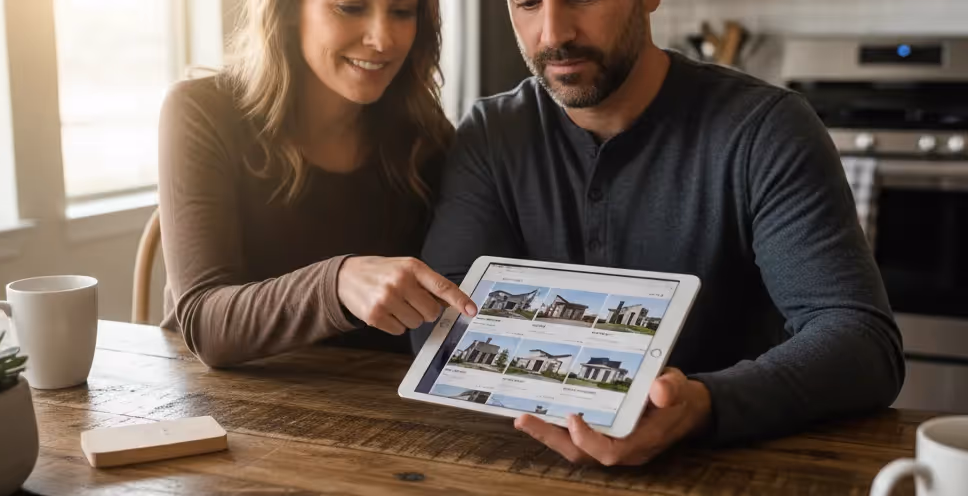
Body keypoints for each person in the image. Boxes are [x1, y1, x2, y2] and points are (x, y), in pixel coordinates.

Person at [419, 0, 905, 466]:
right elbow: (439, 322)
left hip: (734, 479)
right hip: (520, 464)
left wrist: (702, 404)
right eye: (527, 2)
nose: (553, 33)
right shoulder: (491, 132)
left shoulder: (767, 129)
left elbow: (861, 341)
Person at [158, 0, 476, 367]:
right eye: (351, 7)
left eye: (402, 12)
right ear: (288, 11)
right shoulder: (201, 112)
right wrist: (337, 284)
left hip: (370, 406)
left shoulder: (428, 138)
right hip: (214, 404)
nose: (382, 39)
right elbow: (204, 322)